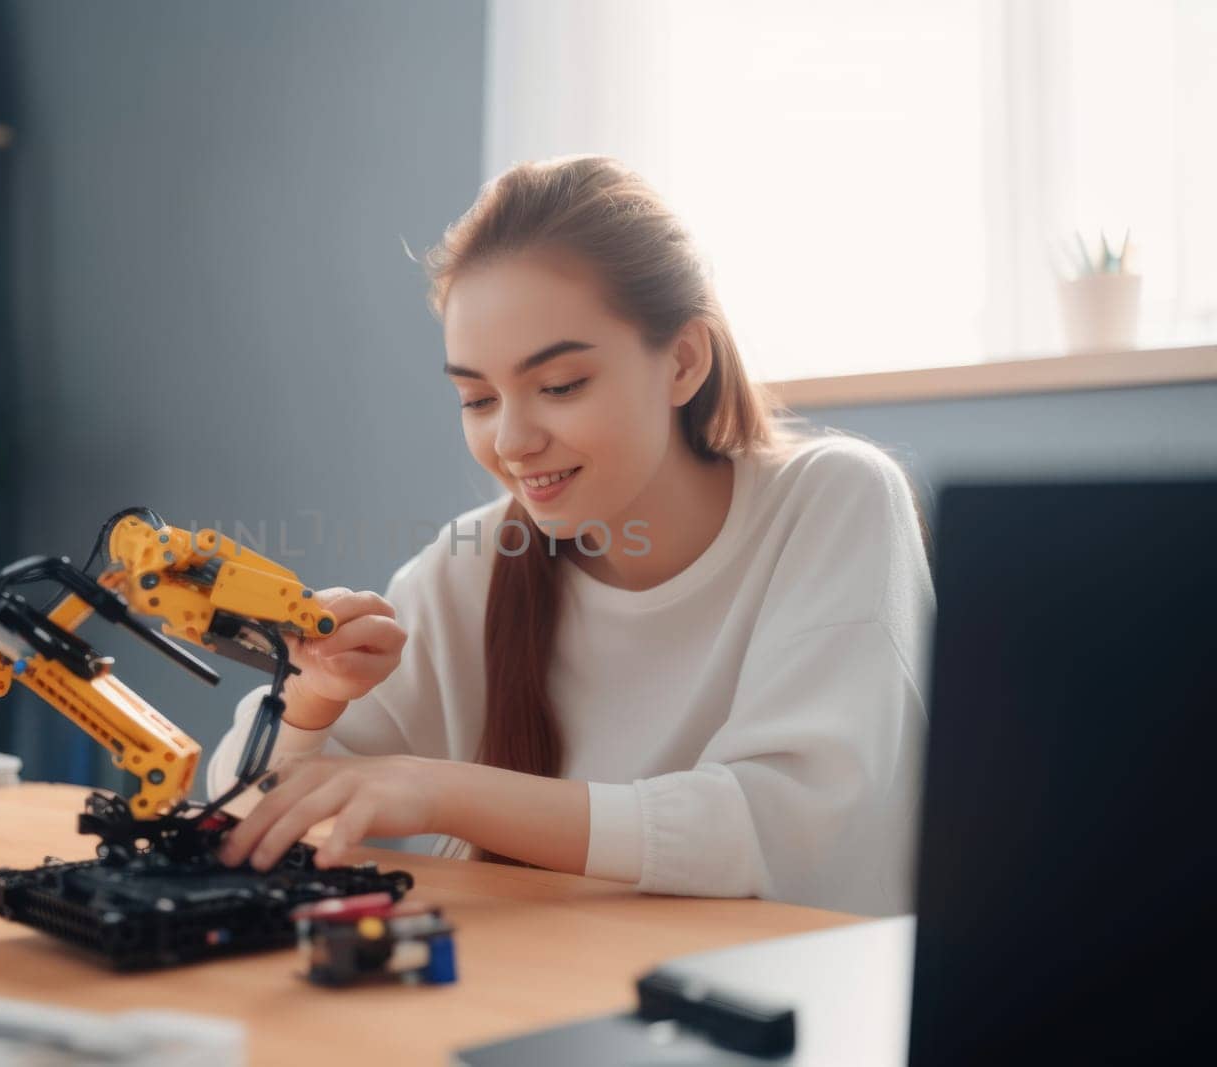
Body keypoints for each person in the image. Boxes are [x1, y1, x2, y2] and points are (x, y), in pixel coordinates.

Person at [207, 156, 933, 916]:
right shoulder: (476, 565)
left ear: (683, 361)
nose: (513, 441)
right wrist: (311, 704)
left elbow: (789, 828)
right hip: (540, 999)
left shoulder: (831, 500)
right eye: (478, 397)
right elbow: (234, 819)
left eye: (558, 387)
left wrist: (442, 790)